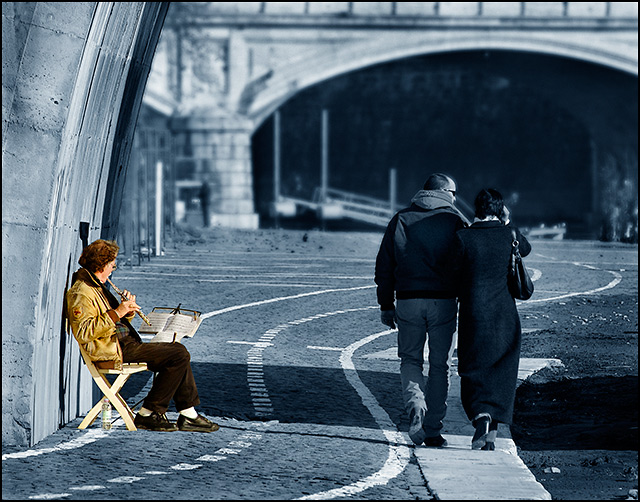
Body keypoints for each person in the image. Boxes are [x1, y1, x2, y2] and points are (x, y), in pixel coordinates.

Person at [66, 239, 219, 433]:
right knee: (178, 354)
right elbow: (84, 332)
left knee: (176, 350)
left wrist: (126, 311)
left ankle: (187, 414)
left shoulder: (97, 286)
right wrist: (118, 312)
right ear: (101, 265)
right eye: (111, 265)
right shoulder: (82, 292)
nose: (113, 269)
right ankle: (149, 413)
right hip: (114, 350)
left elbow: (113, 323)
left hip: (124, 344)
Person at [375, 173, 467, 447]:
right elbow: (466, 263)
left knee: (410, 360)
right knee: (441, 365)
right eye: (454, 191)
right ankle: (432, 429)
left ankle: (415, 404)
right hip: (444, 301)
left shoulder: (401, 218)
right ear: (444, 192)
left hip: (408, 300)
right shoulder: (455, 221)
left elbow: (384, 266)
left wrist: (385, 305)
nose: (455, 196)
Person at [451, 188, 531, 450]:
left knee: (474, 367)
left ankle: (481, 418)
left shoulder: (463, 237)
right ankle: (492, 433)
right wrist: (508, 221)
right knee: (502, 369)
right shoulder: (509, 235)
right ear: (499, 209)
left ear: (477, 209)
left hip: (474, 315)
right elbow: (526, 248)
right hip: (505, 315)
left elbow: (451, 274)